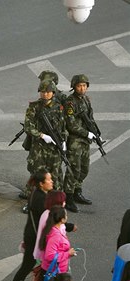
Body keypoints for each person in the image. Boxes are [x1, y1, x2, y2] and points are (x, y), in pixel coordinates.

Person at [4, 170, 54, 281]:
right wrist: (67, 226)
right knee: (29, 265)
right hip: (34, 237)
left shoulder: (38, 193)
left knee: (37, 264)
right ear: (41, 183)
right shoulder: (40, 199)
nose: (52, 181)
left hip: (32, 234)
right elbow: (50, 220)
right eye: (49, 180)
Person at [23, 80, 68, 193]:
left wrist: (63, 141)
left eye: (48, 92)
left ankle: (55, 201)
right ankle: (31, 202)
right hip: (39, 148)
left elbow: (63, 127)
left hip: (54, 148)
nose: (45, 94)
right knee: (37, 175)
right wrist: (42, 135)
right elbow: (28, 127)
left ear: (53, 92)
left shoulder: (59, 108)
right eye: (42, 92)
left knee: (55, 175)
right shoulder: (34, 107)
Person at [63, 74, 98, 212]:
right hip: (75, 141)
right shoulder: (70, 102)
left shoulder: (86, 100)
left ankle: (77, 192)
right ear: (74, 87)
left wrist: (96, 133)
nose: (82, 88)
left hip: (85, 141)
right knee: (73, 170)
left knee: (84, 168)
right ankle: (69, 197)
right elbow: (71, 125)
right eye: (79, 86)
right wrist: (86, 133)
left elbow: (90, 119)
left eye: (84, 85)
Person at [33, 191, 77, 261]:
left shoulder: (48, 213)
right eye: (63, 201)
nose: (65, 203)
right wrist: (68, 253)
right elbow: (51, 255)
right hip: (54, 261)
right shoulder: (55, 233)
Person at [40, 206, 75, 274]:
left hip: (54, 270)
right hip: (55, 272)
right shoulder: (56, 236)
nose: (67, 217)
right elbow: (49, 256)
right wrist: (67, 254)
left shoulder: (51, 229)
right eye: (66, 215)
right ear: (62, 219)